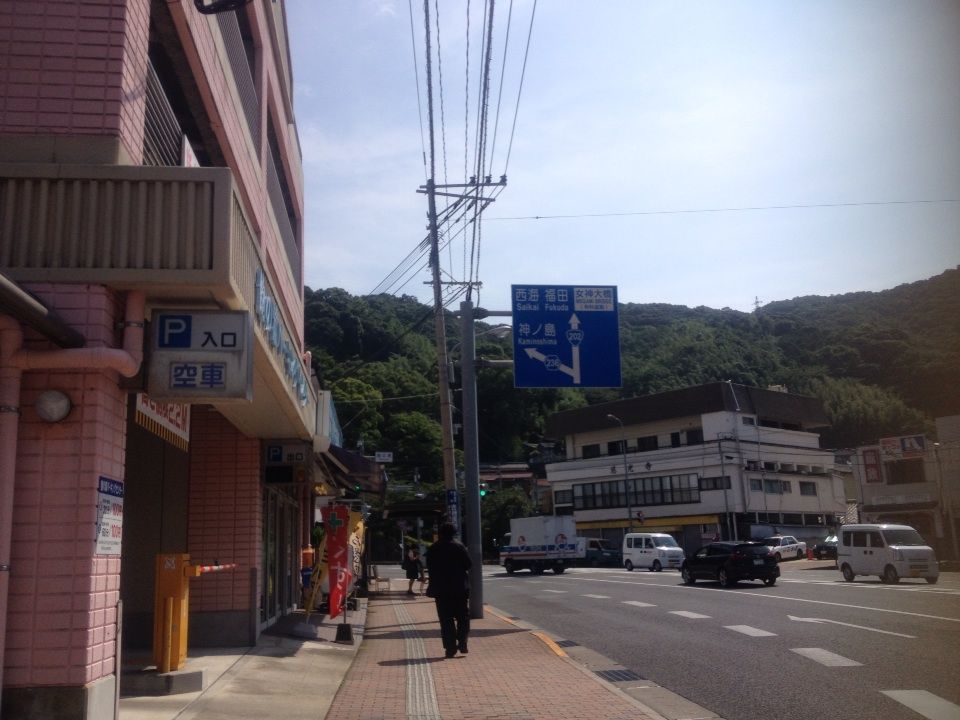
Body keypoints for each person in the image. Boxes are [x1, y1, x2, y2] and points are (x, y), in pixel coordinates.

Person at [425, 522, 472, 658]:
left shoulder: (433, 548)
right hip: (459, 588)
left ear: (440, 533)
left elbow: (429, 567)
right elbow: (468, 565)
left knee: (446, 620)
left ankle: (450, 648)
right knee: (463, 617)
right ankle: (462, 642)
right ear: (454, 533)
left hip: (441, 590)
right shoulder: (459, 547)